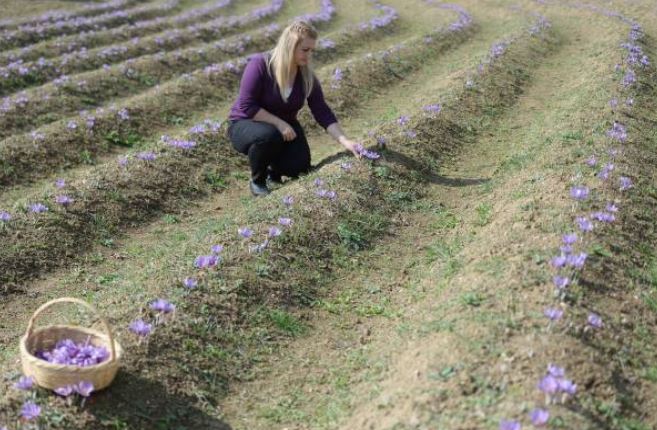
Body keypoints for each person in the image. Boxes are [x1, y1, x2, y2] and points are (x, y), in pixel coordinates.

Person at [227, 20, 361, 196]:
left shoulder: (306, 77)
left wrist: (345, 141)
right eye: (305, 50)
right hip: (246, 122)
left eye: (312, 50)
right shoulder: (260, 64)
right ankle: (257, 180)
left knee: (299, 168)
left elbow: (322, 111)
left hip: (283, 128)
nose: (309, 55)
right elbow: (246, 105)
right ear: (289, 46)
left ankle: (273, 171)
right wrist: (279, 124)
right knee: (268, 136)